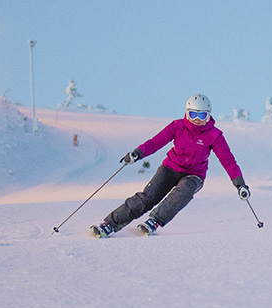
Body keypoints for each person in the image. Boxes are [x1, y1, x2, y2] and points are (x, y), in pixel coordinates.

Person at [90, 94, 250, 237]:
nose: (197, 119)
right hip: (169, 168)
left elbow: (228, 160)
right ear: (187, 113)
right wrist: (138, 153)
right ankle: (110, 224)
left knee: (183, 192)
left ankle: (155, 220)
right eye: (193, 114)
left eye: (202, 115)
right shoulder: (177, 126)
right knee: (147, 198)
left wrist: (239, 184)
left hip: (194, 175)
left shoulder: (214, 135)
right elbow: (155, 143)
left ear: (208, 115)